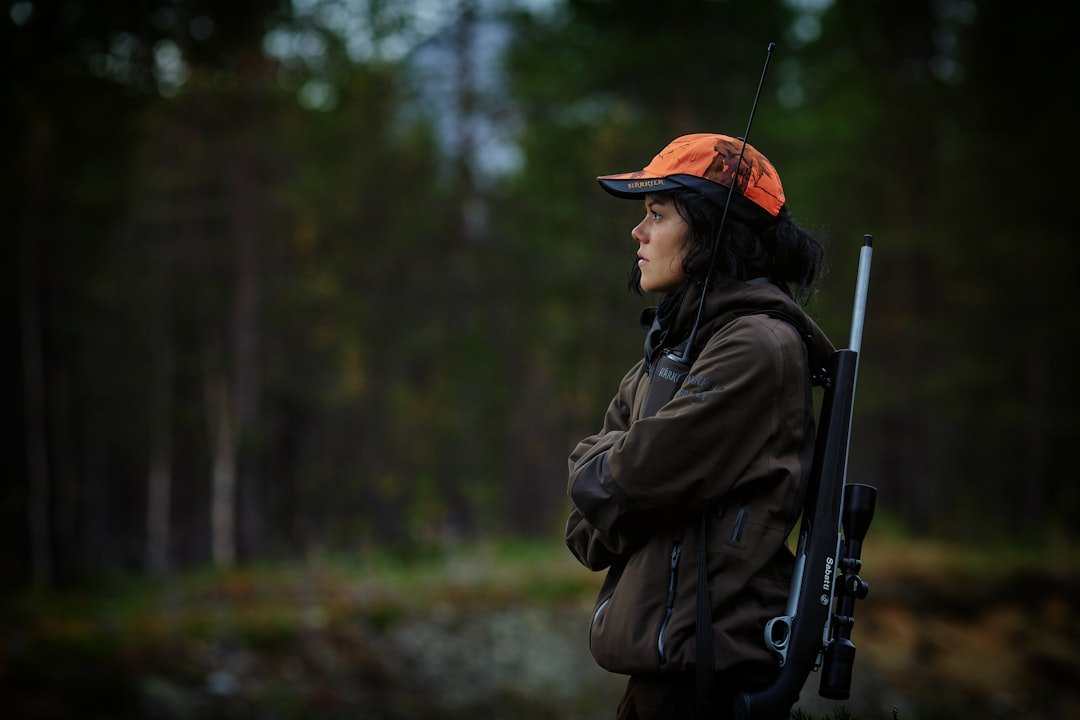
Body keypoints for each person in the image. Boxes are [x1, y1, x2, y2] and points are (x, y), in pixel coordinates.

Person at [564, 133, 834, 720]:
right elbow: (585, 530)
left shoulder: (755, 345)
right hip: (663, 676)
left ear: (714, 232)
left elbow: (630, 476)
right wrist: (617, 482)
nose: (638, 234)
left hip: (710, 678)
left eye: (657, 215)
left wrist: (617, 480)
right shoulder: (673, 350)